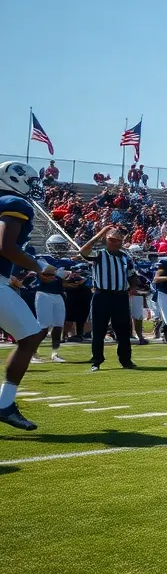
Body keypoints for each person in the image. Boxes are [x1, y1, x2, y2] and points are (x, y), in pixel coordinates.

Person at [0, 161, 54, 430]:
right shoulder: (14, 203)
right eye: (31, 181)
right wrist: (39, 266)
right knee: (31, 336)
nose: (35, 187)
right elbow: (6, 246)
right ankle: (5, 404)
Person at [78, 223, 138, 372]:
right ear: (106, 240)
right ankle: (96, 360)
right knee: (99, 329)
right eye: (111, 240)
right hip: (102, 295)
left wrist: (133, 288)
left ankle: (126, 360)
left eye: (117, 240)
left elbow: (132, 274)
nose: (114, 242)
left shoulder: (125, 257)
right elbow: (83, 251)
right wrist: (100, 233)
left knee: (123, 330)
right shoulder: (99, 254)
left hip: (120, 296)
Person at [33, 233, 79, 363]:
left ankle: (55, 353)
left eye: (62, 246)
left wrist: (72, 281)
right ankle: (33, 353)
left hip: (58, 294)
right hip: (43, 294)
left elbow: (73, 263)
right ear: (50, 247)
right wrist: (62, 273)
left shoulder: (64, 261)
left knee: (58, 326)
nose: (61, 249)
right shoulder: (42, 258)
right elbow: (48, 272)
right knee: (43, 327)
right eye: (58, 246)